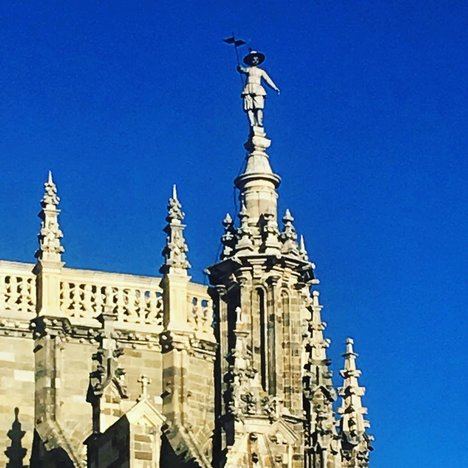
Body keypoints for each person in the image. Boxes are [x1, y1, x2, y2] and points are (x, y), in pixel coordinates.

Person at [237, 50, 280, 128]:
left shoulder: (261, 71)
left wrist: (275, 87)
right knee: (249, 107)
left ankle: (259, 122)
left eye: (256, 59)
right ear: (250, 60)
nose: (255, 60)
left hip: (258, 89)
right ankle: (252, 123)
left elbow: (268, 80)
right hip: (248, 89)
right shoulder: (249, 69)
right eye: (253, 59)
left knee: (259, 107)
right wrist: (240, 68)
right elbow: (243, 70)